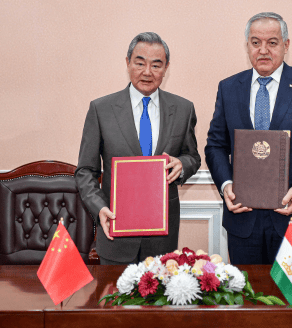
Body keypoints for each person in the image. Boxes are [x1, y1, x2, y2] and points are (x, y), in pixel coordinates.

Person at [204, 12, 292, 265]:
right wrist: (226, 185)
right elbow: (216, 145)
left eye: (272, 42)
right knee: (246, 290)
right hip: (243, 220)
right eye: (256, 42)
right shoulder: (229, 88)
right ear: (247, 45)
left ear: (286, 45)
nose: (263, 50)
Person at [75, 32, 201, 265]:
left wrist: (182, 165)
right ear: (128, 63)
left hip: (162, 238)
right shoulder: (101, 109)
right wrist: (99, 207)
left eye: (156, 65)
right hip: (116, 232)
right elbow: (85, 171)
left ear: (166, 68)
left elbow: (192, 156)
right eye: (140, 63)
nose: (147, 72)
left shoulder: (183, 109)